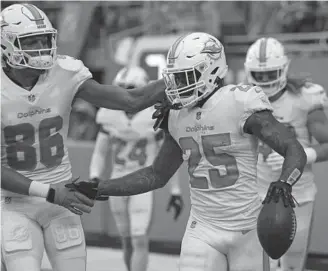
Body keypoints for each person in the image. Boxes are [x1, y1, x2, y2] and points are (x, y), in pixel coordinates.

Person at [69, 32, 307, 271]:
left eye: (185, 78)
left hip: (246, 227)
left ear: (211, 71)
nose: (178, 86)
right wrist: (99, 187)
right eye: (176, 79)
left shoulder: (240, 102)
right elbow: (156, 175)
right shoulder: (176, 116)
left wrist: (284, 183)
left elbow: (293, 149)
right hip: (202, 228)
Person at [1, 3, 166, 271]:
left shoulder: (64, 73)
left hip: (63, 197)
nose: (42, 48)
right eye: (31, 42)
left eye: (44, 39)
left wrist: (172, 83)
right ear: (6, 45)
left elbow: (130, 100)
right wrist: (50, 193)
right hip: (17, 203)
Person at [244, 37, 328, 271]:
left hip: (297, 195)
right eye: (258, 75)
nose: (263, 80)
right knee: (258, 265)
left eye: (270, 74)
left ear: (283, 69)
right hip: (258, 193)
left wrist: (298, 156)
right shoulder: (242, 99)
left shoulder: (304, 98)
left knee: (292, 265)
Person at [89, 66, 184, 271]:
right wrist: (95, 176)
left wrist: (175, 191)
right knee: (126, 240)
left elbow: (168, 158)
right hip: (118, 180)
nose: (125, 95)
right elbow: (100, 152)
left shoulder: (154, 116)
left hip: (142, 183)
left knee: (139, 239)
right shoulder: (109, 115)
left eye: (130, 89)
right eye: (121, 89)